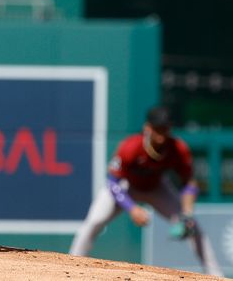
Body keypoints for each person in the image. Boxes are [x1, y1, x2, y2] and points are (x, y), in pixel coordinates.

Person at [69, 106, 223, 276]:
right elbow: (112, 182)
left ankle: (216, 276)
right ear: (147, 128)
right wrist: (132, 208)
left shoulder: (178, 149)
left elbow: (190, 183)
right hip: (125, 187)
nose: (161, 134)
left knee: (195, 230)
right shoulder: (131, 146)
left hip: (156, 188)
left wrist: (187, 213)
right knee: (93, 222)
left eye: (165, 129)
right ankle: (68, 269)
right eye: (157, 129)